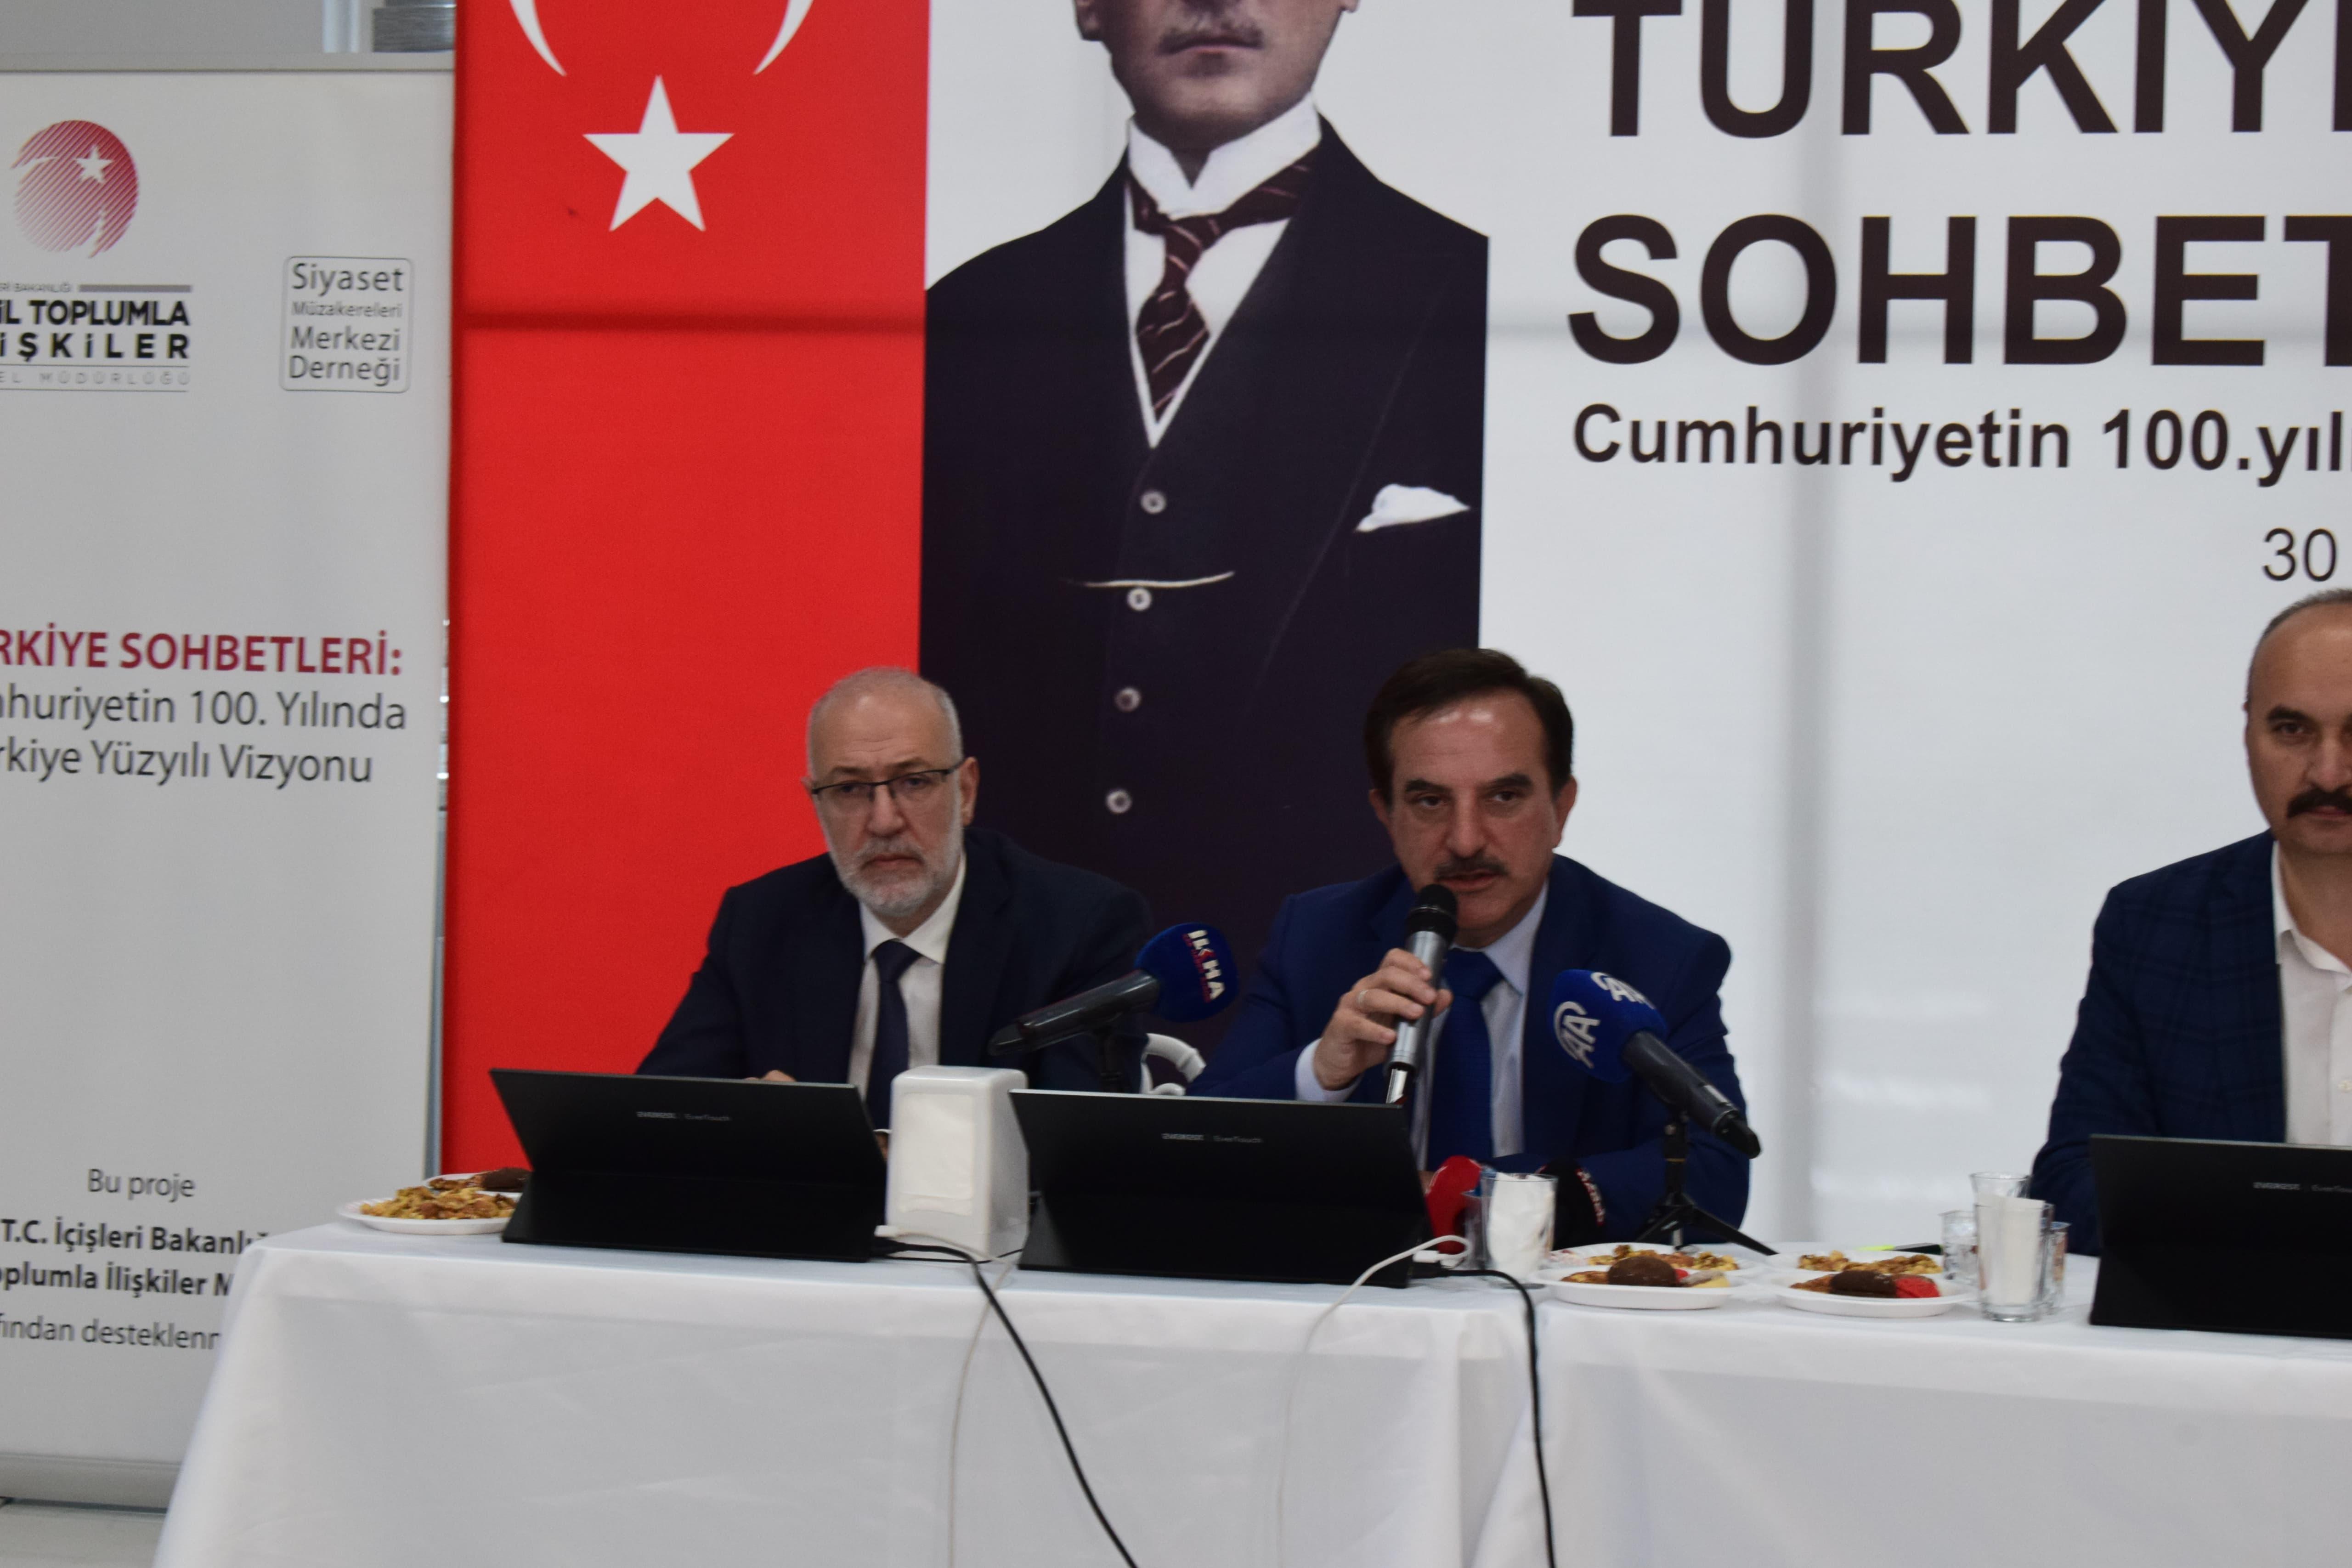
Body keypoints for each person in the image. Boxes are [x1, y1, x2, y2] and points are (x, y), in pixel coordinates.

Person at [921, 0, 1487, 981]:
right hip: (1030, 995)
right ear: (1086, 7)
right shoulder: (966, 315)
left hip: (1327, 1001)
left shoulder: (1476, 292)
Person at [1192, 649, 1749, 1243]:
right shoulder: (1318, 937)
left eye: (1503, 797)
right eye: (1430, 802)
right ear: (1386, 814)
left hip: (1554, 1295)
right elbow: (1190, 1145)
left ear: (1561, 808)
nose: (1465, 840)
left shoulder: (1657, 957)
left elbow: (1715, 1169)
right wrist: (1321, 1072)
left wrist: (1480, 1197)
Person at [639, 668, 1153, 1119]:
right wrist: (739, 1119)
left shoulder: (1077, 925)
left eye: (914, 782)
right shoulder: (761, 921)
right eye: (849, 789)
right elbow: (658, 1113)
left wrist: (875, 1153)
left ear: (965, 790)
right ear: (816, 803)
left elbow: (1074, 1147)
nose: (884, 820)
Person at [2034, 590, 2352, 1252]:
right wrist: (2252, 1252)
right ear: (2248, 736)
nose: (2328, 772)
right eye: (2292, 730)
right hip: (2226, 1314)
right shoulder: (2155, 923)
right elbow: (2075, 1176)